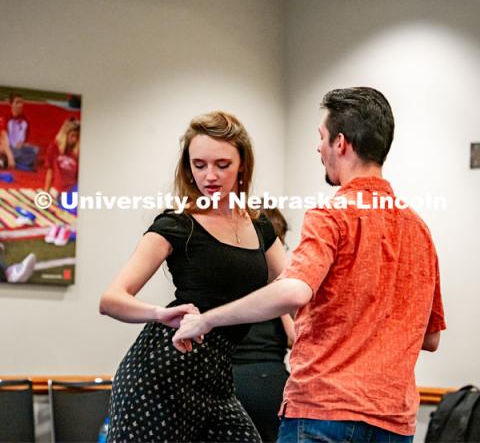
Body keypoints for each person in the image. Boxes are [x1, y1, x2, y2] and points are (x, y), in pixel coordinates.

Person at [173, 87, 446, 443]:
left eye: (321, 138)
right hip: (394, 421)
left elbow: (294, 289)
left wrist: (206, 319)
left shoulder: (332, 214)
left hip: (323, 411)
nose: (318, 148)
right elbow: (431, 337)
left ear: (341, 144)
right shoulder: (419, 229)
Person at [99, 111, 287, 443]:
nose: (209, 176)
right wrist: (159, 313)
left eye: (222, 165)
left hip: (217, 382)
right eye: (199, 165)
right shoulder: (176, 224)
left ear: (243, 164)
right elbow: (111, 299)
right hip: (159, 376)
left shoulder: (261, 228)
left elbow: (295, 291)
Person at [232, 206, 294, 443]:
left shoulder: (230, 275)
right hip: (267, 380)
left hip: (229, 379)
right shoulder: (278, 283)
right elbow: (295, 335)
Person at [44, 117, 80, 196]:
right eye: (72, 135)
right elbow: (50, 172)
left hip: (73, 188)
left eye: (76, 136)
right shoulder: (54, 147)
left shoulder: (78, 151)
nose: (74, 139)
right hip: (58, 191)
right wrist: (46, 193)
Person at [5, 94, 39, 171]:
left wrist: (23, 144)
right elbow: (3, 139)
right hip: (7, 148)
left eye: (21, 103)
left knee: (35, 150)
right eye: (17, 102)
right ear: (11, 104)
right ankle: (14, 159)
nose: (20, 105)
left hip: (19, 149)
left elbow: (25, 140)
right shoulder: (5, 118)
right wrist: (9, 153)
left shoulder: (25, 120)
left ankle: (9, 160)